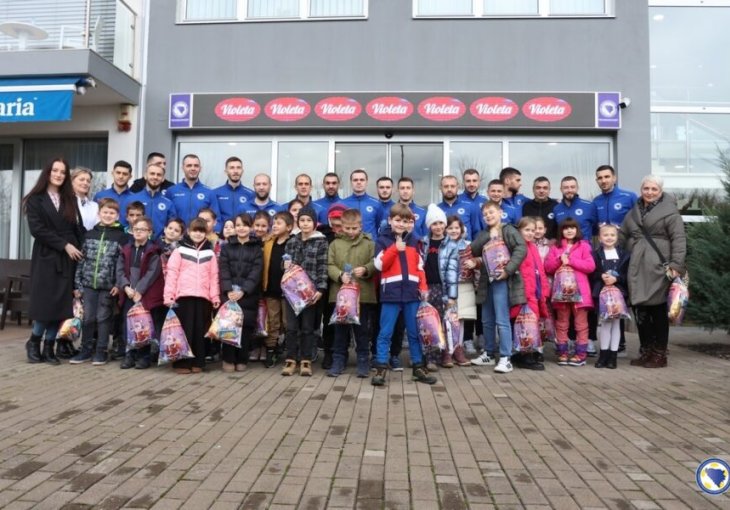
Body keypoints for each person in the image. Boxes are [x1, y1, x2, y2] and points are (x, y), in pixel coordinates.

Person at [620, 175, 686, 368]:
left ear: (660, 191)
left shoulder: (670, 212)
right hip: (636, 267)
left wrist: (676, 265)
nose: (649, 192)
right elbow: (622, 234)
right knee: (641, 310)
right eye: (646, 188)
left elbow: (679, 240)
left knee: (657, 310)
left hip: (659, 266)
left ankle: (660, 353)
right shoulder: (634, 211)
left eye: (653, 189)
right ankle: (646, 350)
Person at [23, 158, 85, 365]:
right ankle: (33, 342)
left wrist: (85, 244)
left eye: (62, 172)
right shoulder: (35, 199)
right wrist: (64, 245)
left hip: (69, 257)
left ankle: (49, 347)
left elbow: (77, 228)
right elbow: (37, 230)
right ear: (47, 173)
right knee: (45, 304)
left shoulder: (70, 198)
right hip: (46, 256)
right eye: (55, 171)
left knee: (61, 305)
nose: (58, 175)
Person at [371, 204, 436, 386]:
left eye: (406, 221)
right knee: (385, 332)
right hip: (390, 294)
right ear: (390, 221)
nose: (401, 224)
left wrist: (423, 287)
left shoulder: (415, 241)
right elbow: (379, 265)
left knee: (414, 333)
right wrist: (395, 249)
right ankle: (381, 367)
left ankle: (418, 366)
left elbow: (420, 268)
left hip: (411, 294)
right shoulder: (382, 241)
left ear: (411, 223)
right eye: (398, 220)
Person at [470, 201, 527, 374]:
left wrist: (508, 270)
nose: (488, 216)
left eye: (491, 212)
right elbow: (474, 249)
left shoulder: (509, 229)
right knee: (487, 319)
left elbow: (521, 249)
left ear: (500, 212)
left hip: (503, 280)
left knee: (502, 319)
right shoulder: (483, 233)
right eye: (485, 214)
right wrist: (489, 236)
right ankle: (488, 353)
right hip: (487, 280)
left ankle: (505, 357)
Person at [70, 198, 126, 365]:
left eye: (112, 213)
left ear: (117, 215)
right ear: (98, 213)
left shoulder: (121, 237)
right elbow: (81, 260)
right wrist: (77, 284)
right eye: (105, 212)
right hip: (88, 285)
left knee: (103, 318)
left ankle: (101, 351)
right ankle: (86, 350)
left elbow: (122, 264)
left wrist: (118, 284)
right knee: (88, 318)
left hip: (108, 286)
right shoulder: (89, 234)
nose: (108, 215)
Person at [163, 218, 221, 374]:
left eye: (201, 231)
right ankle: (182, 363)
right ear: (188, 231)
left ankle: (198, 362)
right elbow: (172, 274)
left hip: (203, 297)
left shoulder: (210, 253)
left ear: (206, 233)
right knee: (184, 330)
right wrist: (169, 296)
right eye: (195, 230)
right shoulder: (179, 250)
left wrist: (215, 297)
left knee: (200, 330)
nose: (198, 233)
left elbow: (214, 276)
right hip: (183, 296)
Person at [593, 164, 637, 356]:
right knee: (607, 297)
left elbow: (639, 221)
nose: (603, 180)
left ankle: (622, 344)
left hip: (625, 251)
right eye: (600, 178)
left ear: (614, 177)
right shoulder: (596, 201)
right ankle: (612, 347)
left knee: (622, 294)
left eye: (606, 177)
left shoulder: (629, 197)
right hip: (605, 252)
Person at [326, 208, 376, 377]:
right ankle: (338, 359)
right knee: (340, 331)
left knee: (362, 331)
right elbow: (329, 265)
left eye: (354, 228)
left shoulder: (369, 243)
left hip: (363, 295)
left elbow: (375, 262)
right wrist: (339, 275)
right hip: (341, 296)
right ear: (341, 226)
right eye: (347, 228)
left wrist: (366, 269)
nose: (351, 232)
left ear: (360, 226)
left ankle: (363, 360)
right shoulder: (335, 244)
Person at [281, 207, 328, 377]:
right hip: (292, 292)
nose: (305, 224)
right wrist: (284, 266)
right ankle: (291, 359)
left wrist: (321, 289)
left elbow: (323, 267)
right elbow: (285, 265)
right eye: (302, 220)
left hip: (310, 292)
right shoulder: (292, 242)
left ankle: (306, 360)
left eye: (309, 220)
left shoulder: (321, 242)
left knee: (308, 327)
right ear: (298, 222)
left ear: (314, 223)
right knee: (292, 327)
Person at [545, 218, 596, 366]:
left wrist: (571, 260)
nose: (569, 231)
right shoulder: (555, 247)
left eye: (572, 228)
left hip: (580, 293)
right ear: (561, 231)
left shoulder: (584, 246)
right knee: (562, 323)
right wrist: (559, 260)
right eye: (566, 228)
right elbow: (548, 267)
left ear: (577, 230)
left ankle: (580, 354)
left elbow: (590, 266)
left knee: (581, 324)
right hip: (561, 294)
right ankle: (563, 352)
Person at [117, 216, 166, 369]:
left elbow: (152, 273)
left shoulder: (153, 251)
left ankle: (143, 355)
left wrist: (139, 291)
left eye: (142, 229)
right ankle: (129, 355)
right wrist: (125, 287)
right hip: (128, 293)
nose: (138, 232)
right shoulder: (126, 249)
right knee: (128, 325)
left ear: (149, 232)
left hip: (144, 295)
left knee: (143, 325)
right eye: (135, 229)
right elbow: (119, 271)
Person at [218, 213, 264, 373]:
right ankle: (228, 358)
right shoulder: (226, 247)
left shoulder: (257, 248)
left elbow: (256, 272)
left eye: (245, 225)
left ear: (250, 227)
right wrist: (228, 289)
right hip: (229, 293)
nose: (241, 228)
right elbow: (223, 270)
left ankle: (242, 358)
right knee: (229, 326)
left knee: (245, 327)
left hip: (248, 295)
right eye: (238, 225)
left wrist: (244, 290)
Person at [421, 205, 459, 369]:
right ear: (429, 226)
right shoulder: (423, 242)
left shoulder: (451, 244)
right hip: (427, 288)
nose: (438, 227)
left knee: (446, 322)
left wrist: (452, 296)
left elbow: (452, 271)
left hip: (443, 288)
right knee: (430, 322)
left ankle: (447, 354)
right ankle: (431, 357)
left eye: (440, 223)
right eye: (434, 224)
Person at [510, 217, 550, 371]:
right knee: (524, 326)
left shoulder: (532, 246)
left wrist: (544, 290)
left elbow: (539, 270)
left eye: (533, 230)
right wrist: (525, 295)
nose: (531, 233)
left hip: (534, 293)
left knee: (531, 325)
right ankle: (525, 356)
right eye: (527, 230)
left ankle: (526, 354)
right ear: (519, 231)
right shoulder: (518, 247)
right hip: (524, 295)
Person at [591, 223, 630, 369]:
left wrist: (617, 279)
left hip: (619, 293)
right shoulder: (595, 254)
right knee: (605, 323)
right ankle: (603, 355)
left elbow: (628, 275)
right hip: (602, 294)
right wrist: (601, 276)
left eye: (612, 235)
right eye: (605, 235)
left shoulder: (625, 255)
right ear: (600, 238)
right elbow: (592, 272)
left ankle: (613, 357)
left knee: (616, 324)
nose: (609, 238)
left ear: (617, 237)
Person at [262, 212, 295, 367]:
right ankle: (271, 350)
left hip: (288, 292)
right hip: (271, 289)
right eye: (274, 223)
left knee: (288, 322)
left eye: (279, 223)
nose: (274, 225)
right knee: (272, 321)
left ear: (289, 227)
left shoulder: (293, 242)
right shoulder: (269, 243)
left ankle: (291, 352)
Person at [445, 215, 475, 366]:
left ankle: (458, 349)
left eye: (457, 227)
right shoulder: (442, 246)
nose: (454, 230)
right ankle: (447, 351)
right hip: (448, 287)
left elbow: (478, 261)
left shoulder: (468, 245)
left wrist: (475, 262)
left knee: (460, 320)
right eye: (450, 228)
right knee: (448, 319)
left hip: (464, 286)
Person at [164, 154, 221, 229]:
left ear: (200, 168)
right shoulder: (171, 191)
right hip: (178, 237)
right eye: (189, 165)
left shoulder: (209, 192)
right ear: (183, 168)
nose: (193, 168)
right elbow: (165, 217)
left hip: (200, 236)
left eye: (196, 166)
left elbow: (216, 219)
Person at [129, 163, 177, 239]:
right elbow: (125, 223)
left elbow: (172, 226)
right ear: (145, 175)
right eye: (152, 174)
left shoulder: (168, 203)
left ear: (163, 178)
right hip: (136, 244)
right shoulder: (132, 199)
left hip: (159, 247)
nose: (155, 177)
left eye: (159, 175)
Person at [340, 169, 383, 239]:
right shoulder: (342, 203)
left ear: (366, 182)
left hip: (370, 246)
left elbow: (379, 226)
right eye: (355, 180)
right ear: (351, 182)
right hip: (348, 245)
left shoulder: (376, 204)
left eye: (362, 180)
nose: (359, 182)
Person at [553, 176, 597, 242]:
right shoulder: (556, 209)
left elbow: (596, 228)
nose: (569, 190)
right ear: (561, 189)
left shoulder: (589, 206)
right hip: (565, 250)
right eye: (566, 188)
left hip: (584, 249)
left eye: (572, 187)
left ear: (577, 188)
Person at [214, 156, 255, 226]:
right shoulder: (215, 193)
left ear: (242, 171)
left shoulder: (251, 194)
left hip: (242, 234)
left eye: (238, 168)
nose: (235, 171)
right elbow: (214, 217)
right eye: (232, 168)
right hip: (222, 235)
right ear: (226, 171)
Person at [437, 175, 480, 240]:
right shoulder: (437, 209)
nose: (449, 189)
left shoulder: (470, 207)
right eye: (446, 186)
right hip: (443, 249)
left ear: (458, 187)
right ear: (441, 188)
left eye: (452, 186)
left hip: (466, 249)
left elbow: (477, 232)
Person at [95, 160, 134, 227]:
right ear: (112, 173)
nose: (121, 176)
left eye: (125, 174)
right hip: (105, 234)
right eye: (118, 173)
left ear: (130, 176)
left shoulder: (134, 198)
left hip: (126, 235)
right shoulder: (100, 195)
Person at [72, 167, 99, 232]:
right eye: (81, 179)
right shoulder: (63, 203)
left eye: (88, 181)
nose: (85, 183)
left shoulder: (95, 206)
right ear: (72, 181)